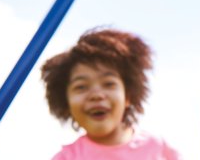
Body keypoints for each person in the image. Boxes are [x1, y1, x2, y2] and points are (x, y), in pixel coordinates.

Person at [41, 27, 181, 160]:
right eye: (81, 87)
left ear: (128, 96)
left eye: (108, 84)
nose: (96, 95)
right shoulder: (67, 158)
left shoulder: (157, 148)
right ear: (66, 103)